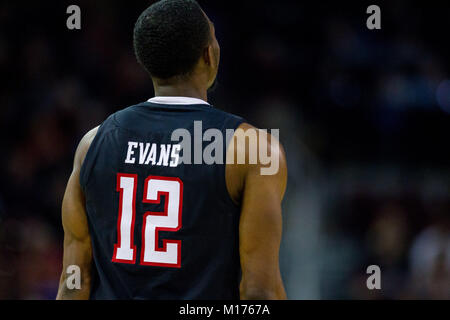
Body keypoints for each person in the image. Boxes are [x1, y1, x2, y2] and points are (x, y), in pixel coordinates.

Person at [56, 0, 287, 300]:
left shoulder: (93, 144)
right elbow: (260, 292)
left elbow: (74, 281)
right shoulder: (252, 149)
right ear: (208, 54)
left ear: (145, 59)